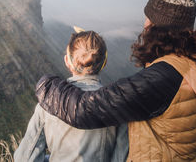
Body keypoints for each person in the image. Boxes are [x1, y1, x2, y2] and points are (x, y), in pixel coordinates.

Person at [36, 0, 196, 161]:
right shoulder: (192, 67)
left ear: (158, 27)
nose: (144, 24)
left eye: (148, 19)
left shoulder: (163, 78)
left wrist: (47, 84)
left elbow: (84, 111)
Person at [14, 28, 129, 162]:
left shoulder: (48, 103)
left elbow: (25, 158)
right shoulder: (119, 105)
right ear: (104, 63)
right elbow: (121, 157)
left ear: (67, 61)